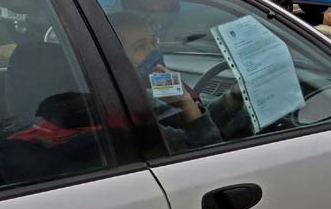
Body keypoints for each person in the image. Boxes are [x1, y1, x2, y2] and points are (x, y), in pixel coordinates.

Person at [108, 12, 251, 151]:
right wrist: (185, 103)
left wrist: (232, 98)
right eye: (140, 47)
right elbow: (207, 151)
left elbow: (188, 119)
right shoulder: (126, 119)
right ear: (116, 62)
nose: (153, 52)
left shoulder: (142, 96)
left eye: (153, 42)